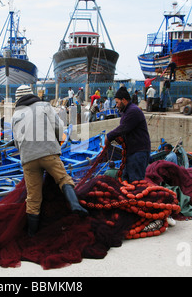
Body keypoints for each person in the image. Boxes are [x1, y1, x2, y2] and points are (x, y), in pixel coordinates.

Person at [12, 84, 88, 236]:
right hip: (48, 152)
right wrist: (57, 142)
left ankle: (31, 235)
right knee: (63, 179)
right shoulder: (44, 106)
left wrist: (26, 154)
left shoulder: (15, 114)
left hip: (28, 158)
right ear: (32, 94)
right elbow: (59, 127)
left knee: (33, 198)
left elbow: (16, 142)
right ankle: (75, 205)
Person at [105, 87, 151, 183]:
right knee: (126, 180)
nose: (116, 105)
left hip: (138, 152)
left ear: (124, 100)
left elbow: (123, 128)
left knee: (135, 182)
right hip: (131, 153)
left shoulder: (133, 111)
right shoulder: (127, 112)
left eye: (117, 102)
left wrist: (109, 136)